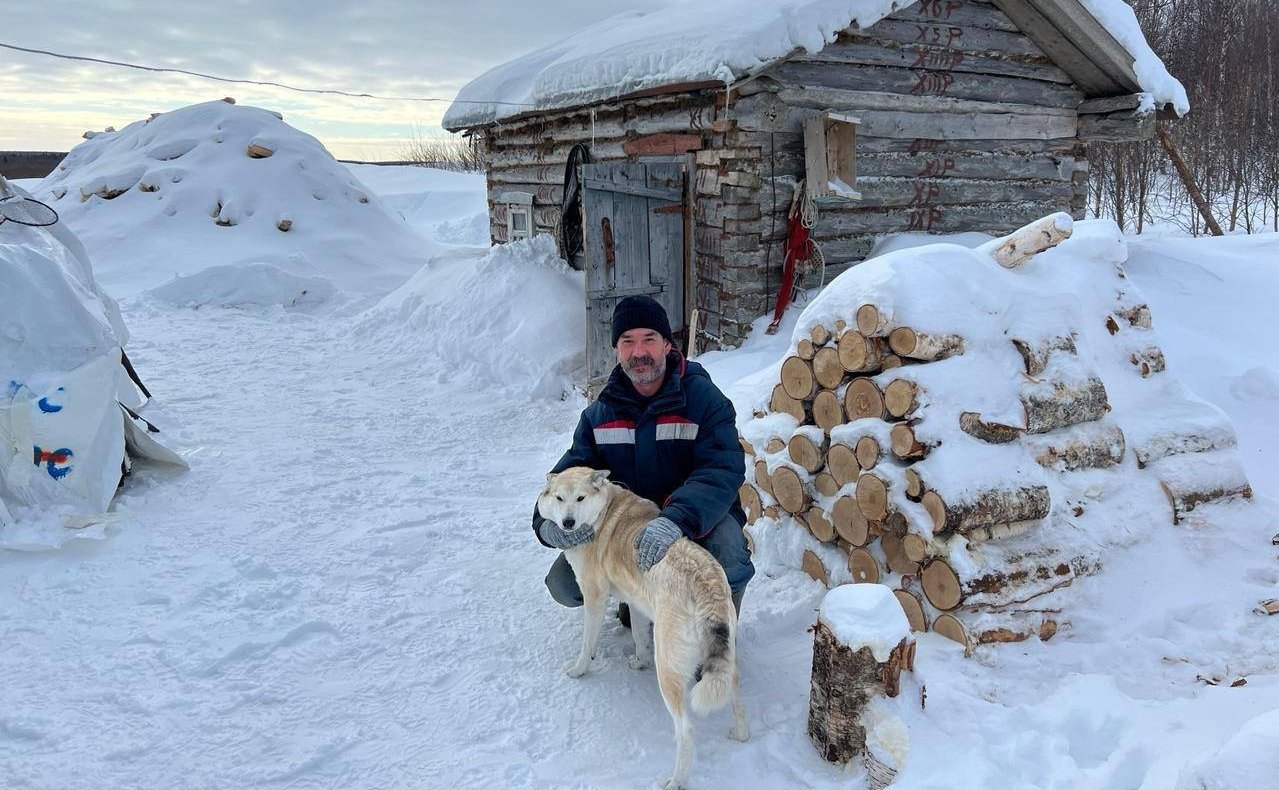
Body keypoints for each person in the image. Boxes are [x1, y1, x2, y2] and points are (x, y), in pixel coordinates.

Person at [532, 294, 754, 619]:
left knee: (728, 553)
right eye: (628, 341)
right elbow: (565, 479)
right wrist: (546, 524)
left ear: (666, 345)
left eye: (649, 339)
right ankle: (636, 595)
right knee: (565, 585)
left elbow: (721, 470)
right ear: (616, 350)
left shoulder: (705, 401)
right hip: (629, 523)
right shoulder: (599, 415)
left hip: (696, 517)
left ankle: (717, 633)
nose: (639, 352)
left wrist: (674, 520)